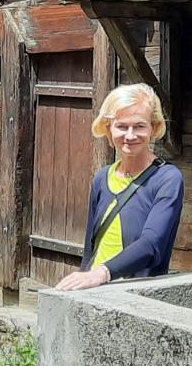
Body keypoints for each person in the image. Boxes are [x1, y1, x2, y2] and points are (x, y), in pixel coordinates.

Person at [57, 82, 184, 291]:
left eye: (140, 126)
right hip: (94, 290)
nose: (130, 135)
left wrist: (102, 273)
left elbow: (151, 244)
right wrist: (85, 276)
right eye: (122, 126)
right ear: (108, 129)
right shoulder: (102, 178)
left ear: (154, 127)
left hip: (133, 297)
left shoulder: (167, 179)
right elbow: (91, 247)